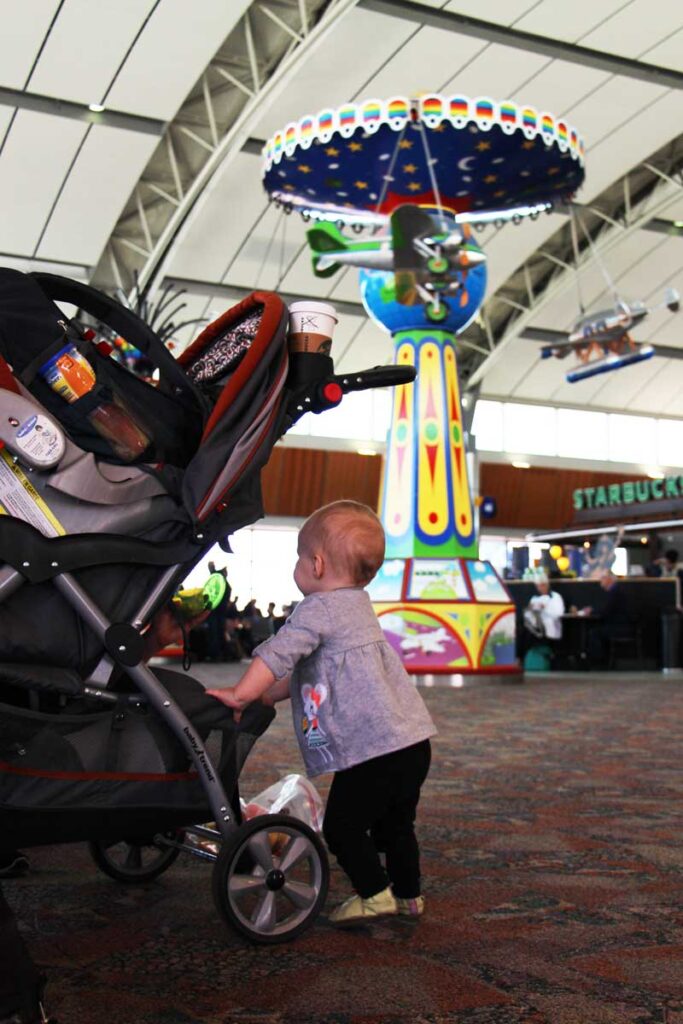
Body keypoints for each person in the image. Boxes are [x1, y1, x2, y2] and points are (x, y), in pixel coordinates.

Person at [207, 500, 436, 925]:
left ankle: (375, 894)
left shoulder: (318, 609)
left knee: (342, 829)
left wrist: (241, 694)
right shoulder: (357, 605)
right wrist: (268, 696)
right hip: (410, 742)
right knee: (395, 828)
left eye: (298, 556)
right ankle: (408, 895)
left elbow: (278, 654)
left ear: (315, 564)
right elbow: (313, 674)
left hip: (373, 750)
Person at [583, 569, 631, 669]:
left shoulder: (614, 592)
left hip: (619, 627)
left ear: (609, 579)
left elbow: (605, 610)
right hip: (620, 625)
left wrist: (591, 611)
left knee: (594, 633)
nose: (601, 581)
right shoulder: (615, 591)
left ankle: (598, 664)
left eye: (602, 578)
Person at [518, 575, 565, 663]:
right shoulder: (535, 599)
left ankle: (523, 658)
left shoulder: (555, 597)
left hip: (549, 626)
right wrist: (530, 609)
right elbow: (528, 616)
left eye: (542, 585)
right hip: (535, 625)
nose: (540, 588)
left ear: (547, 585)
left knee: (528, 632)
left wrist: (545, 608)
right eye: (538, 586)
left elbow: (559, 613)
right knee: (522, 627)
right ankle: (521, 658)